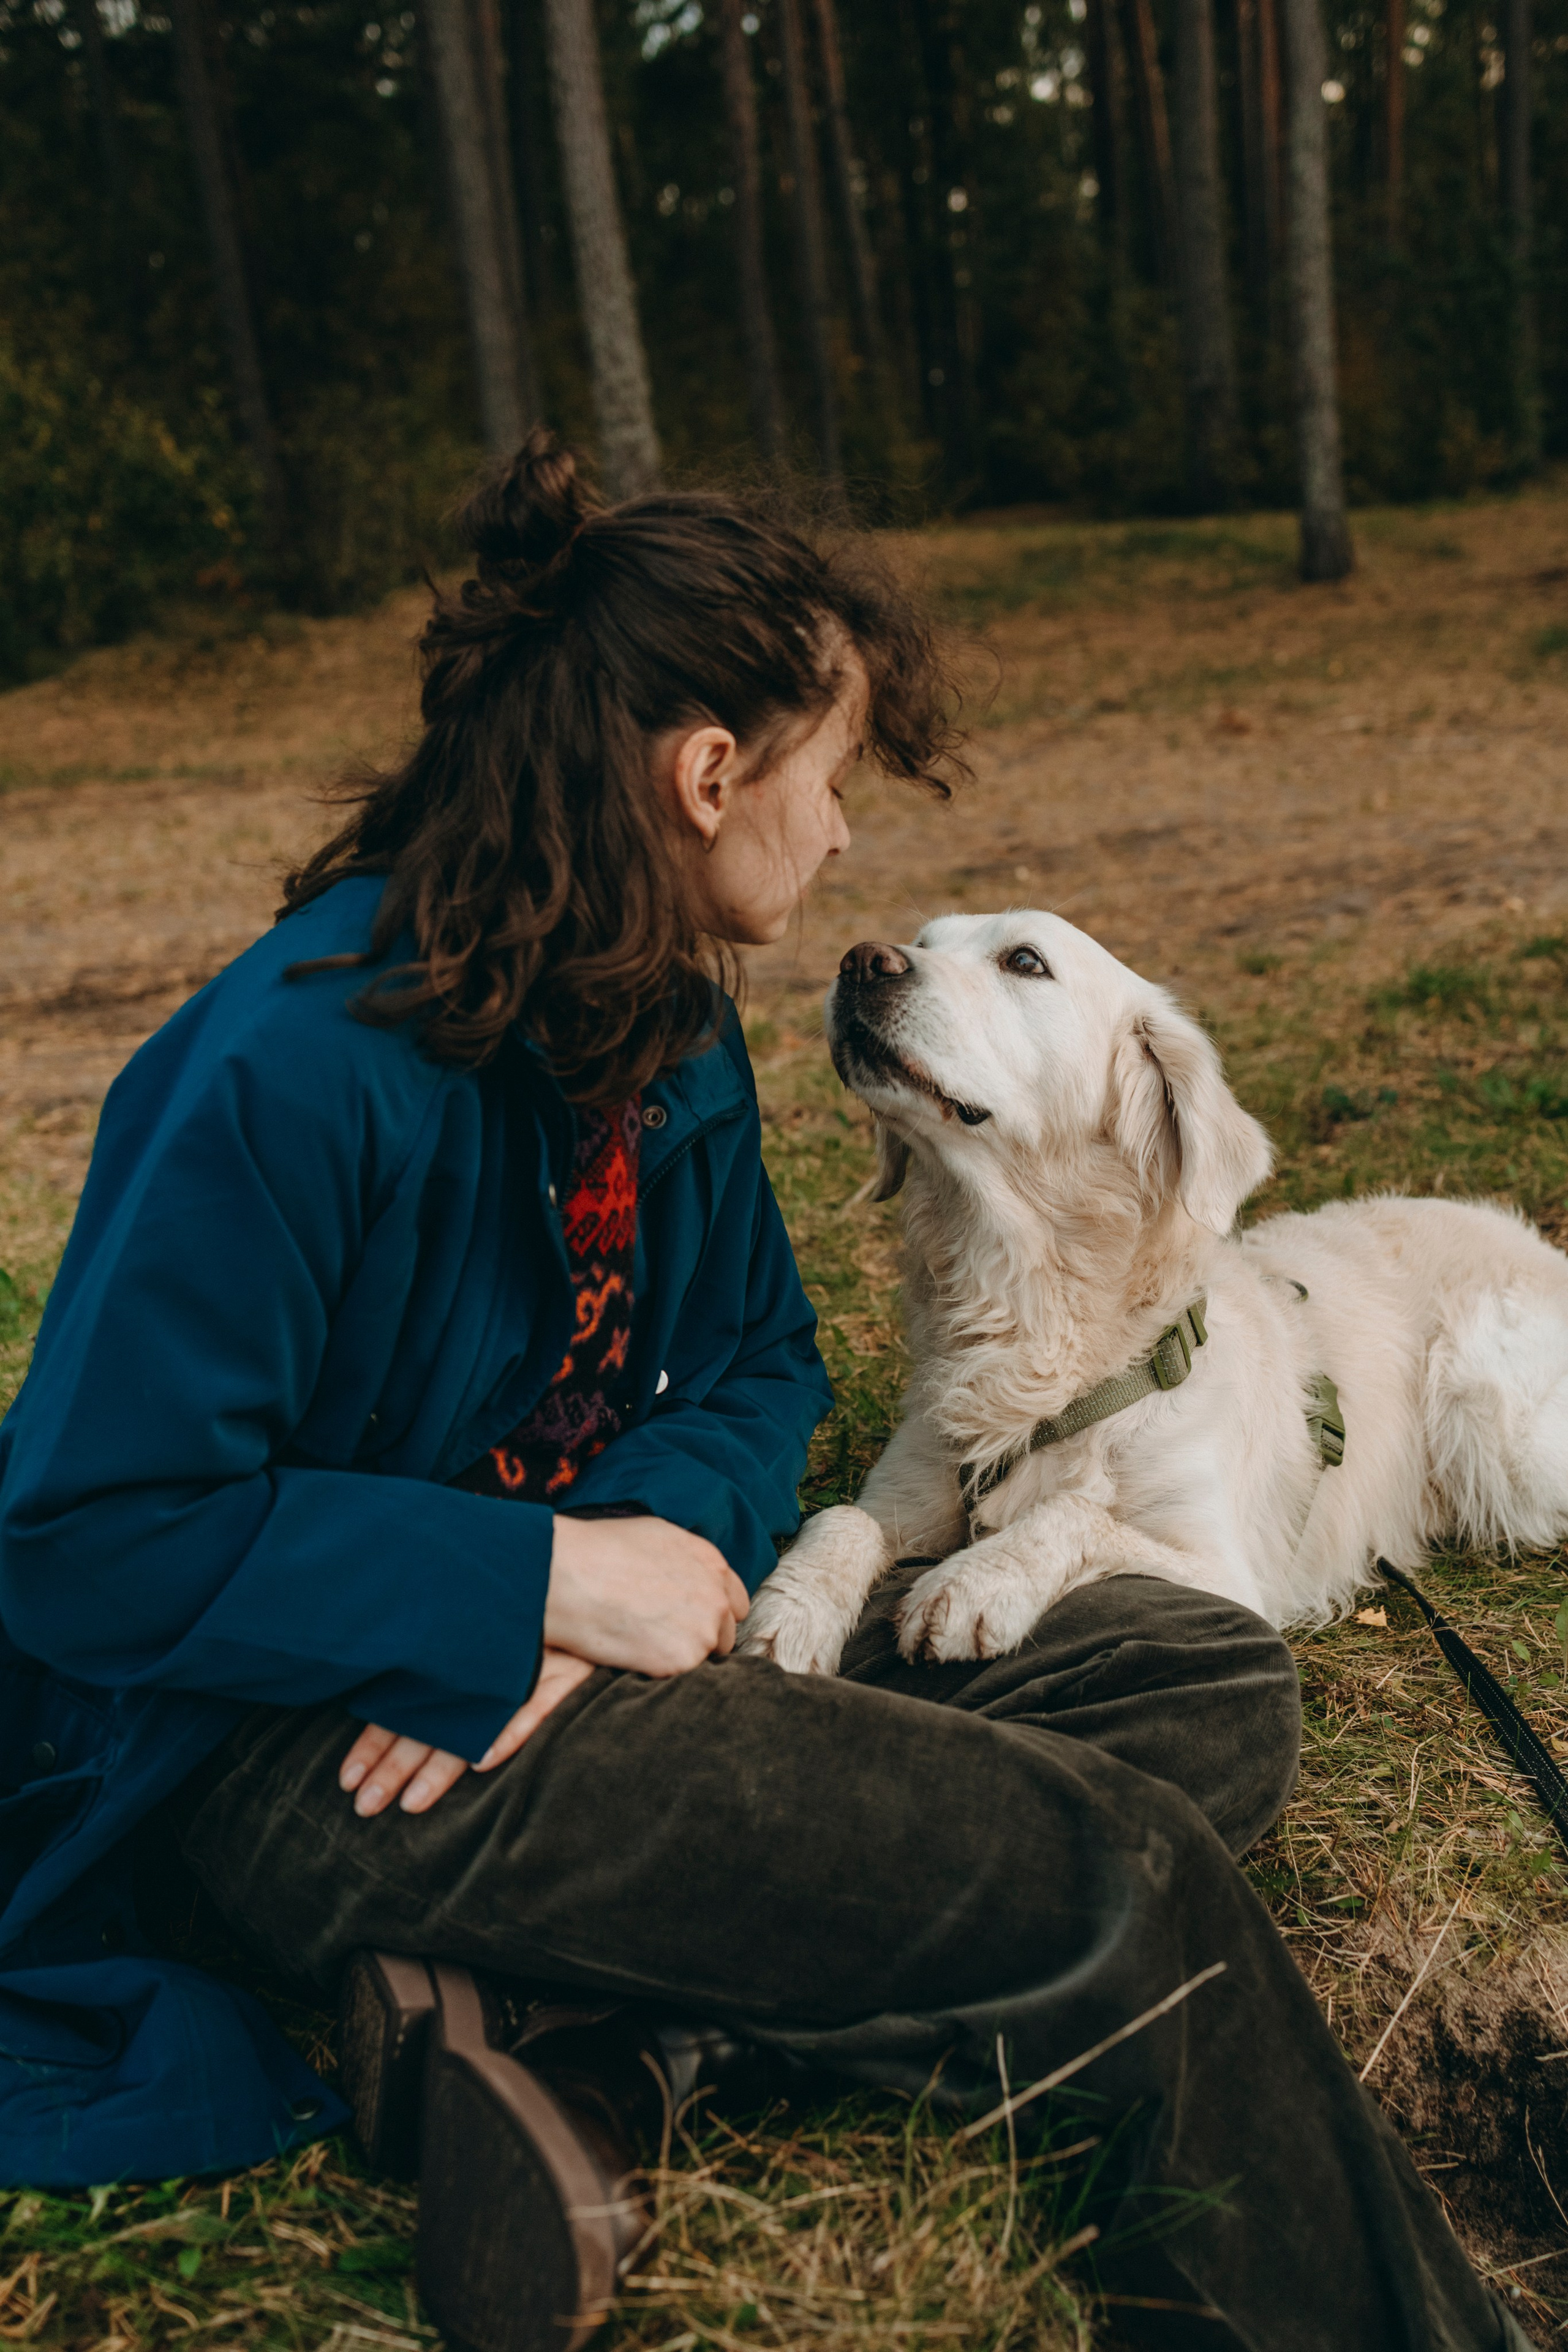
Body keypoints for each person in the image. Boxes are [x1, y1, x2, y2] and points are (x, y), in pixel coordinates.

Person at [0, 435, 1532, 2352]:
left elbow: (754, 1362)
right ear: (707, 774)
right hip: (301, 1752)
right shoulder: (282, 1071)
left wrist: (628, 1562)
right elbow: (84, 1542)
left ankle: (606, 2046)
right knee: (1106, 1873)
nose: (843, 837)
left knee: (1200, 1678)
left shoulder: (660, 1019)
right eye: (829, 779)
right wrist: (522, 1598)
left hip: (568, 1662)